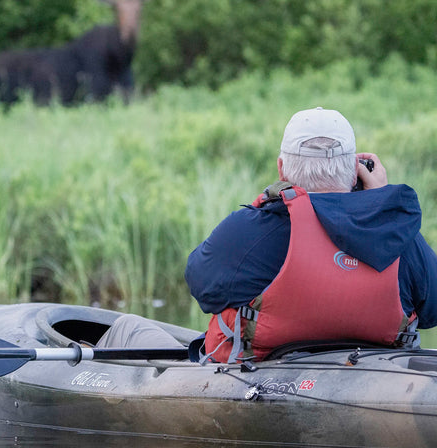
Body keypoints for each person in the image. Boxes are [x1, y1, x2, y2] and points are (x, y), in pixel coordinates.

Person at [185, 106, 437, 362]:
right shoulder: (398, 235)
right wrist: (378, 203)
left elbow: (203, 289)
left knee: (141, 329)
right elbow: (432, 312)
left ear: (282, 169)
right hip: (374, 381)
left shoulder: (248, 231)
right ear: (355, 171)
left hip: (265, 379)